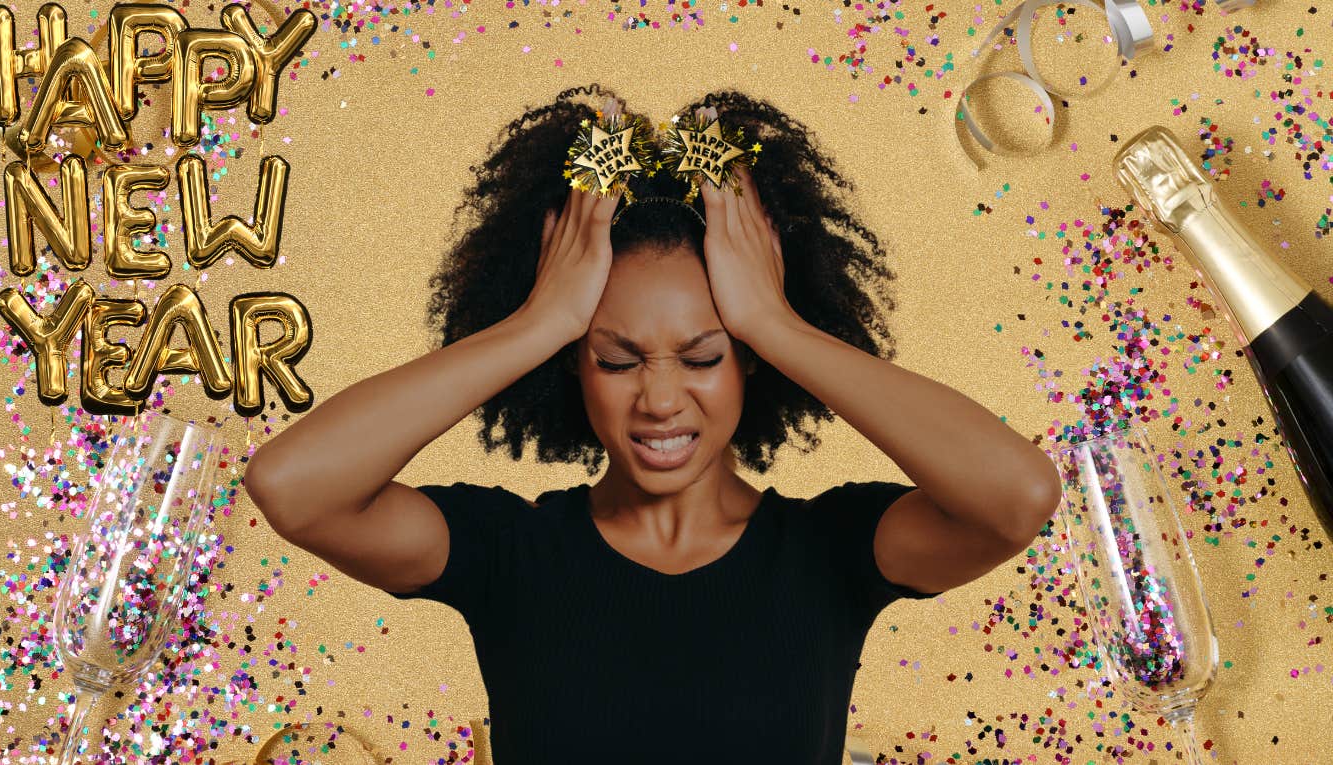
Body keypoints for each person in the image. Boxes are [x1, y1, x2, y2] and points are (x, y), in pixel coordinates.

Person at [244, 84, 1064, 765]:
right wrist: (540, 319)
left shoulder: (829, 553)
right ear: (574, 365)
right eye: (617, 357)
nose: (661, 399)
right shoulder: (512, 554)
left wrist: (776, 324)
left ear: (748, 361)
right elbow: (292, 486)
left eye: (704, 356)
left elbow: (1018, 495)